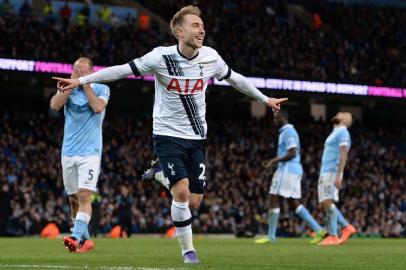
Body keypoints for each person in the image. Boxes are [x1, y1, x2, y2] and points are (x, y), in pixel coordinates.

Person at [52, 5, 287, 263]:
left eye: (202, 25)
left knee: (195, 202)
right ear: (179, 30)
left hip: (197, 138)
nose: (202, 29)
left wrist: (265, 99)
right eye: (195, 25)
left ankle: (162, 175)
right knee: (182, 193)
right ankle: (188, 252)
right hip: (166, 135)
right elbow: (120, 70)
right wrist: (81, 81)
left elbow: (235, 79)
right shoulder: (160, 57)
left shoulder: (211, 58)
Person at [50, 57, 110, 253]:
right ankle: (87, 241)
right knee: (74, 199)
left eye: (82, 68)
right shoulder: (68, 88)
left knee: (84, 196)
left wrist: (84, 83)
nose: (78, 71)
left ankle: (75, 237)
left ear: (92, 71)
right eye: (76, 68)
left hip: (90, 153)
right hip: (68, 152)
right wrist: (69, 86)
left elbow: (98, 107)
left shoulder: (102, 89)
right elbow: (54, 106)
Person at [254, 111, 326, 244]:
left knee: (273, 198)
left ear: (284, 117)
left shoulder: (288, 132)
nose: (275, 120)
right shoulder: (285, 132)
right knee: (294, 205)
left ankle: (271, 236)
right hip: (292, 170)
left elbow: (292, 153)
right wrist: (273, 162)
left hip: (287, 170)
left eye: (277, 118)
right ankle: (319, 230)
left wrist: (273, 161)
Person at [318, 112, 357, 246]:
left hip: (332, 171)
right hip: (326, 171)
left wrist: (339, 174)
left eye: (341, 114)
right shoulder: (335, 132)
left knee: (328, 201)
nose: (337, 114)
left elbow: (344, 152)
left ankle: (334, 236)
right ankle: (345, 228)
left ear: (345, 120)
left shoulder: (343, 132)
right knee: (325, 202)